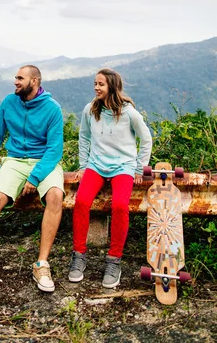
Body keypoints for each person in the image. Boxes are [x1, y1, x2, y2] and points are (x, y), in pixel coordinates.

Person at [0, 65, 64, 293]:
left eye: (20, 78)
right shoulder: (9, 102)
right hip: (15, 160)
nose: (15, 82)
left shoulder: (52, 108)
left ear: (34, 81)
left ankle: (42, 264)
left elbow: (55, 150)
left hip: (44, 161)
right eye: (15, 78)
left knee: (55, 196)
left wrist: (35, 178)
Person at [69, 68, 152, 288]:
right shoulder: (90, 110)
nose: (96, 88)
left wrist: (138, 168)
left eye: (101, 84)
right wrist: (84, 166)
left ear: (112, 87)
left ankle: (114, 260)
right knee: (82, 202)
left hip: (123, 167)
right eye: (95, 84)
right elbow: (84, 137)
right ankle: (79, 256)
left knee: (120, 206)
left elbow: (146, 139)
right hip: (96, 166)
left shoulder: (129, 113)